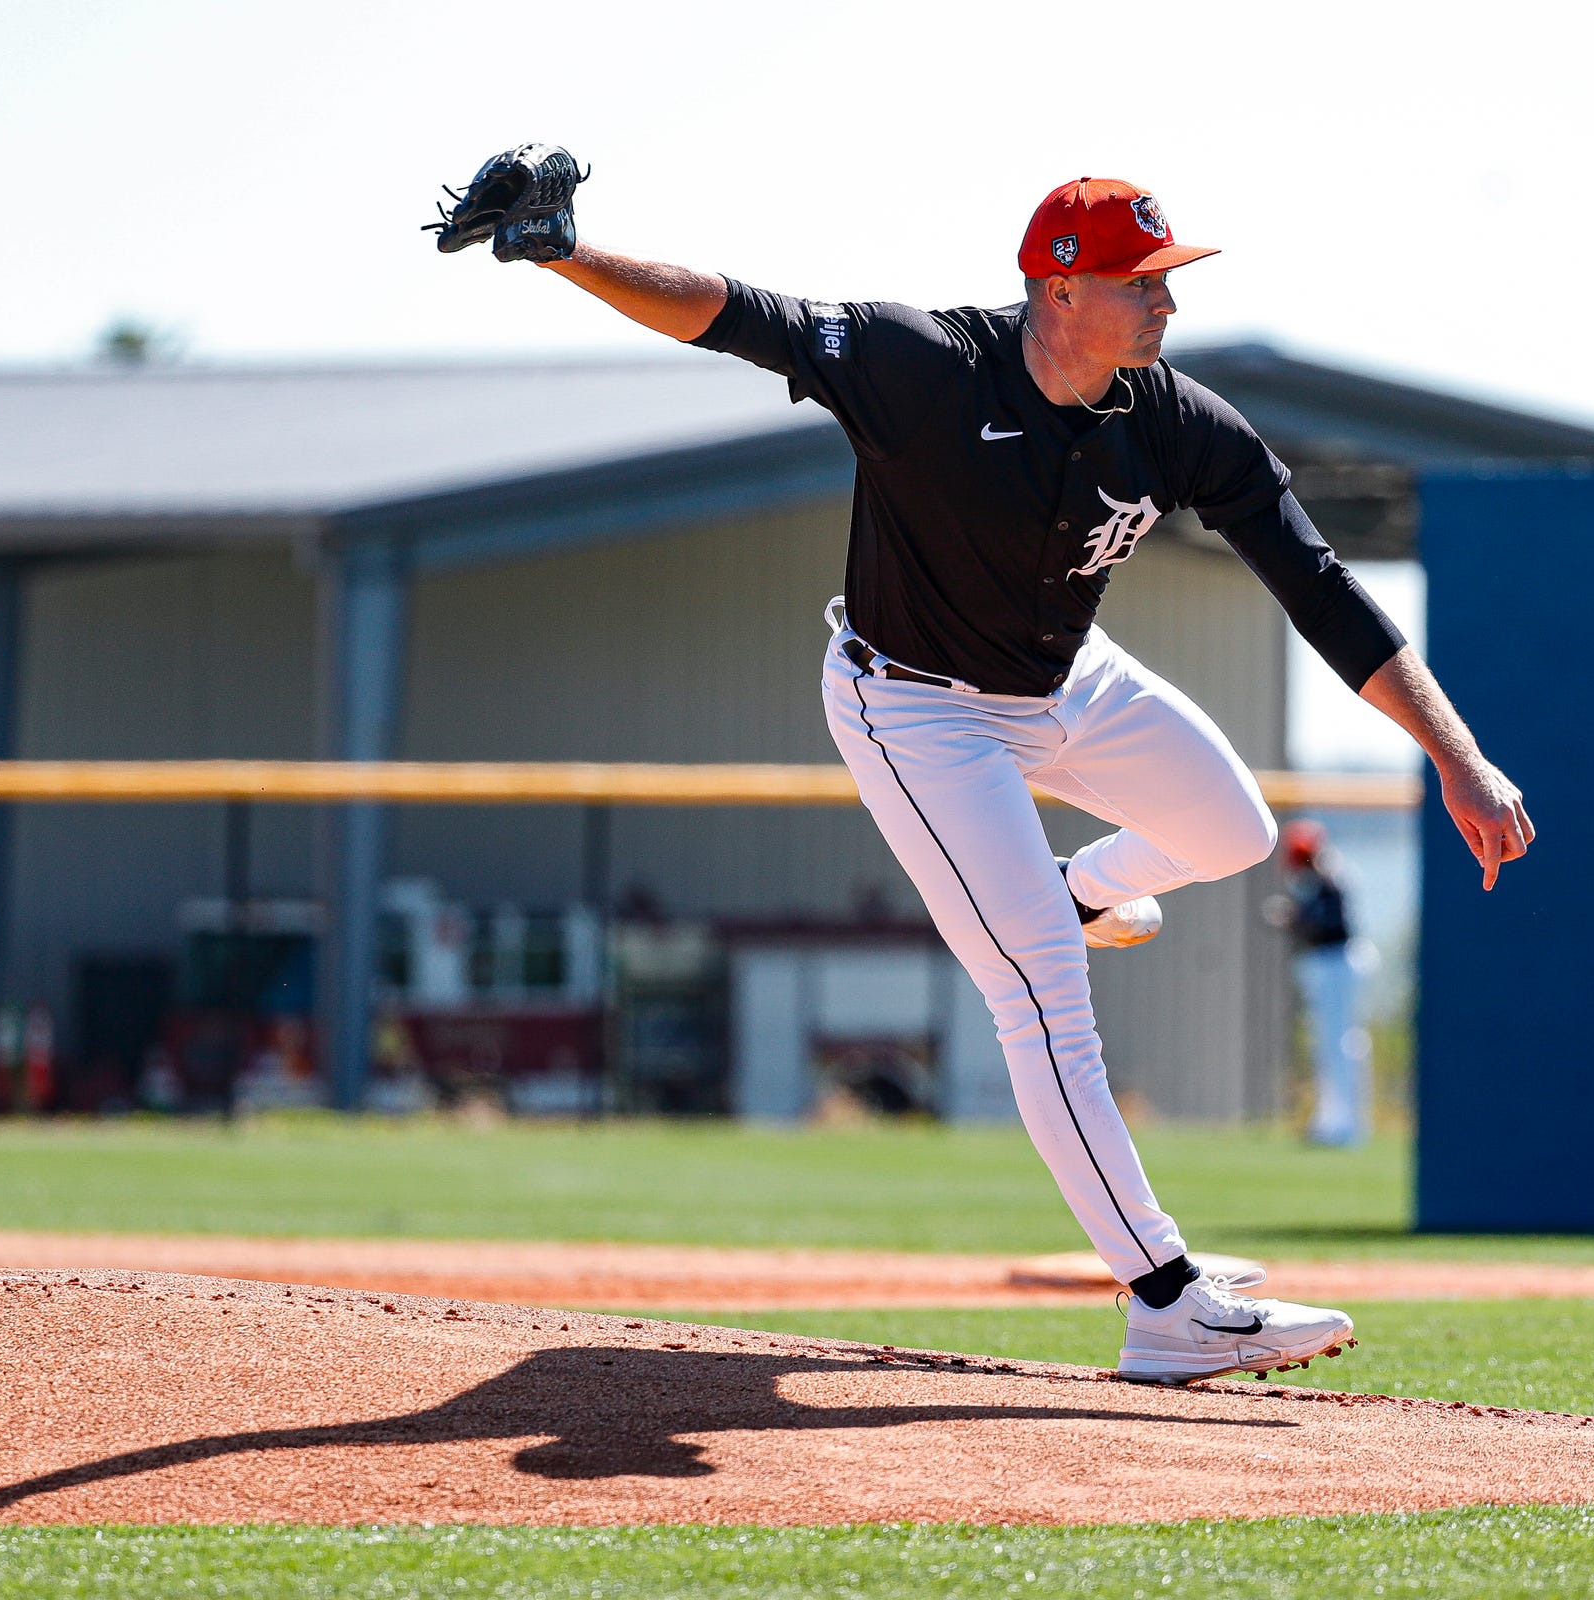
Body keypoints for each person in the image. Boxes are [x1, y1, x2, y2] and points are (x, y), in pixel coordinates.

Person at [446, 161, 1536, 1381]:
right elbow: (731, 311)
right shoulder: (923, 367)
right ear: (1059, 288)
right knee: (1043, 1001)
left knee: (1230, 826)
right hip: (912, 705)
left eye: (1168, 279)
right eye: (1142, 281)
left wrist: (1461, 756)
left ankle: (1067, 894)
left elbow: (1320, 587)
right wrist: (562, 253)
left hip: (1065, 677)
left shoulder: (1172, 416)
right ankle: (1165, 1298)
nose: (1166, 303)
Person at [1277, 819, 1374, 1148]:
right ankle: (1331, 1120)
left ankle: (1346, 1125)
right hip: (1323, 963)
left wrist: (1295, 919)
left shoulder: (1332, 878)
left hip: (1338, 961)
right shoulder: (1314, 881)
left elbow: (1330, 925)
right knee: (1327, 1045)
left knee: (1341, 1044)